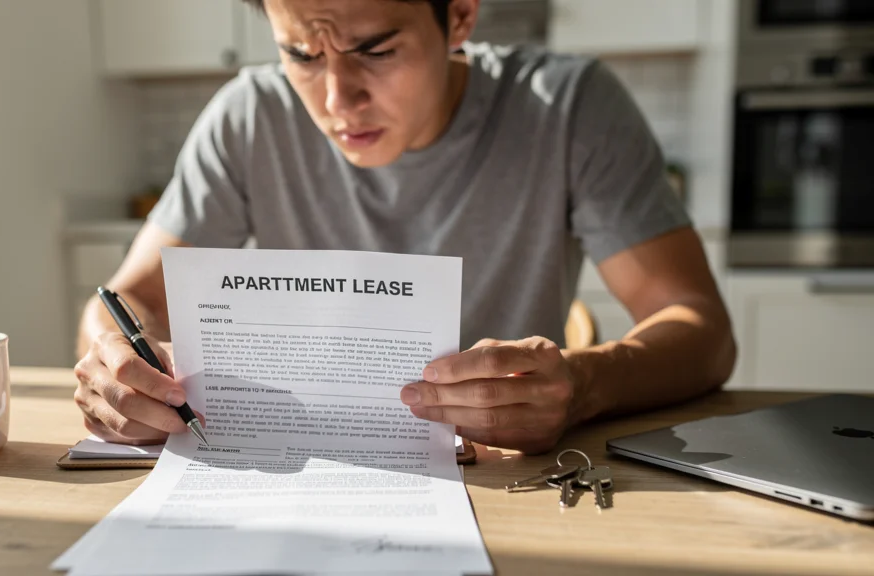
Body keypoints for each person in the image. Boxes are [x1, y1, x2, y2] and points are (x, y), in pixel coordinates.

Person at [73, 0, 736, 453]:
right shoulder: (248, 116)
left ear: (459, 17)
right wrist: (114, 364)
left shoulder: (567, 109)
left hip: (508, 481)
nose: (337, 102)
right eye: (302, 55)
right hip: (303, 472)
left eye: (377, 51)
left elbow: (698, 326)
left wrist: (585, 384)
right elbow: (123, 302)